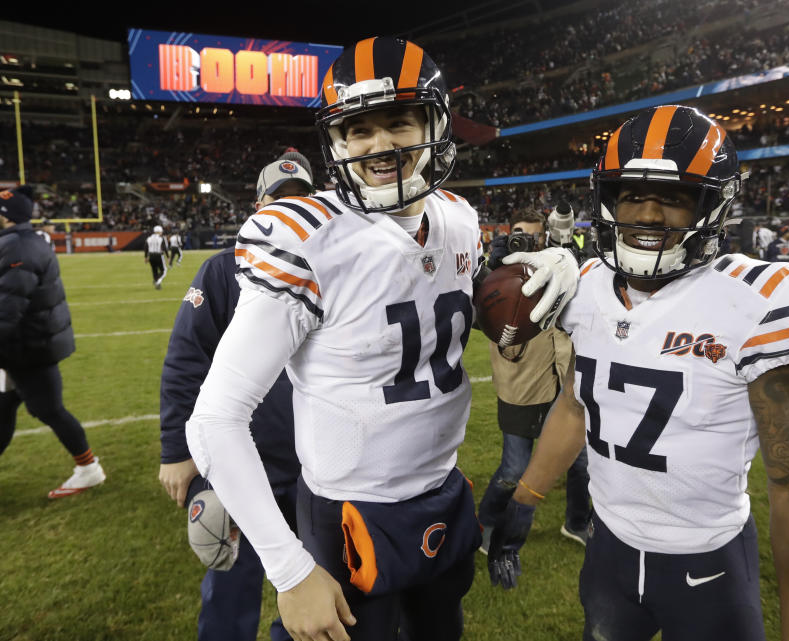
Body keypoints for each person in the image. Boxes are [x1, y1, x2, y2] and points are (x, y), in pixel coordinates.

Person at [185, 37, 578, 641]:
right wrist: (289, 572)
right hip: (348, 508)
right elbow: (213, 419)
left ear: (434, 124)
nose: (380, 144)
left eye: (398, 122)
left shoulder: (456, 217)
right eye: (359, 129)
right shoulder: (306, 236)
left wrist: (564, 266)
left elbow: (476, 308)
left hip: (443, 490)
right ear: (337, 141)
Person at [488, 106, 789, 641]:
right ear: (607, 200)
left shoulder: (758, 302)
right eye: (631, 194)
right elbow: (577, 405)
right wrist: (526, 498)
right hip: (610, 549)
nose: (648, 214)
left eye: (673, 197)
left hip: (708, 561)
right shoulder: (586, 287)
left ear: (712, 204)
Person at [159, 157, 315, 641]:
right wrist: (177, 450)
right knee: (230, 591)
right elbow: (186, 361)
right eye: (278, 198)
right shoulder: (223, 271)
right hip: (246, 462)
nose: (289, 207)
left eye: (299, 197)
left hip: (323, 466)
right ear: (259, 205)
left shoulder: (339, 269)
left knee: (320, 587)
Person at [477, 210, 590, 553]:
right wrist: (491, 274)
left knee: (581, 462)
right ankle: (488, 521)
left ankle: (577, 523)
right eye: (518, 235)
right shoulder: (492, 276)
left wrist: (571, 259)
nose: (526, 241)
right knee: (513, 469)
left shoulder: (562, 271)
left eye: (533, 237)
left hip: (563, 383)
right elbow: (475, 310)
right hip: (521, 388)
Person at [0, 185, 106, 498]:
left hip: (28, 348)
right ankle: (88, 468)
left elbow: (8, 306)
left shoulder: (18, 247)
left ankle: (89, 468)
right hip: (22, 347)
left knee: (49, 410)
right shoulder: (19, 242)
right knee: (4, 408)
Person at [145, 225, 170, 289]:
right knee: (164, 271)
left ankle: (156, 281)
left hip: (151, 255)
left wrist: (146, 257)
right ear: (159, 231)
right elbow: (164, 248)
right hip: (158, 255)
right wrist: (168, 257)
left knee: (154, 270)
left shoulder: (149, 238)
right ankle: (158, 282)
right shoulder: (161, 238)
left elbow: (146, 248)